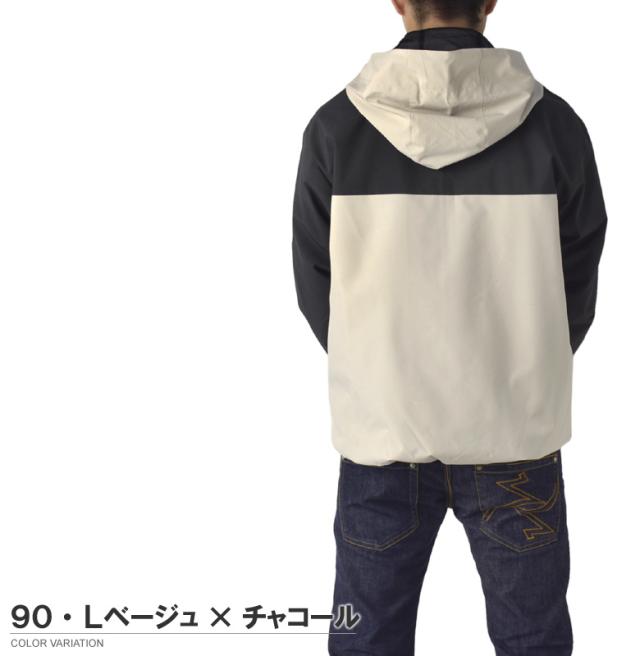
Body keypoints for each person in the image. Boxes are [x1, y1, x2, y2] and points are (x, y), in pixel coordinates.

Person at [291, 1, 608, 654]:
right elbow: (577, 271)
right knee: (533, 641)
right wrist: (528, 359)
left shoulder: (336, 128)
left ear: (397, 2)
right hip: (514, 428)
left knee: (366, 641)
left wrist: (375, 369)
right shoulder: (555, 125)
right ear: (489, 2)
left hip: (384, 432)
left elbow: (317, 281)